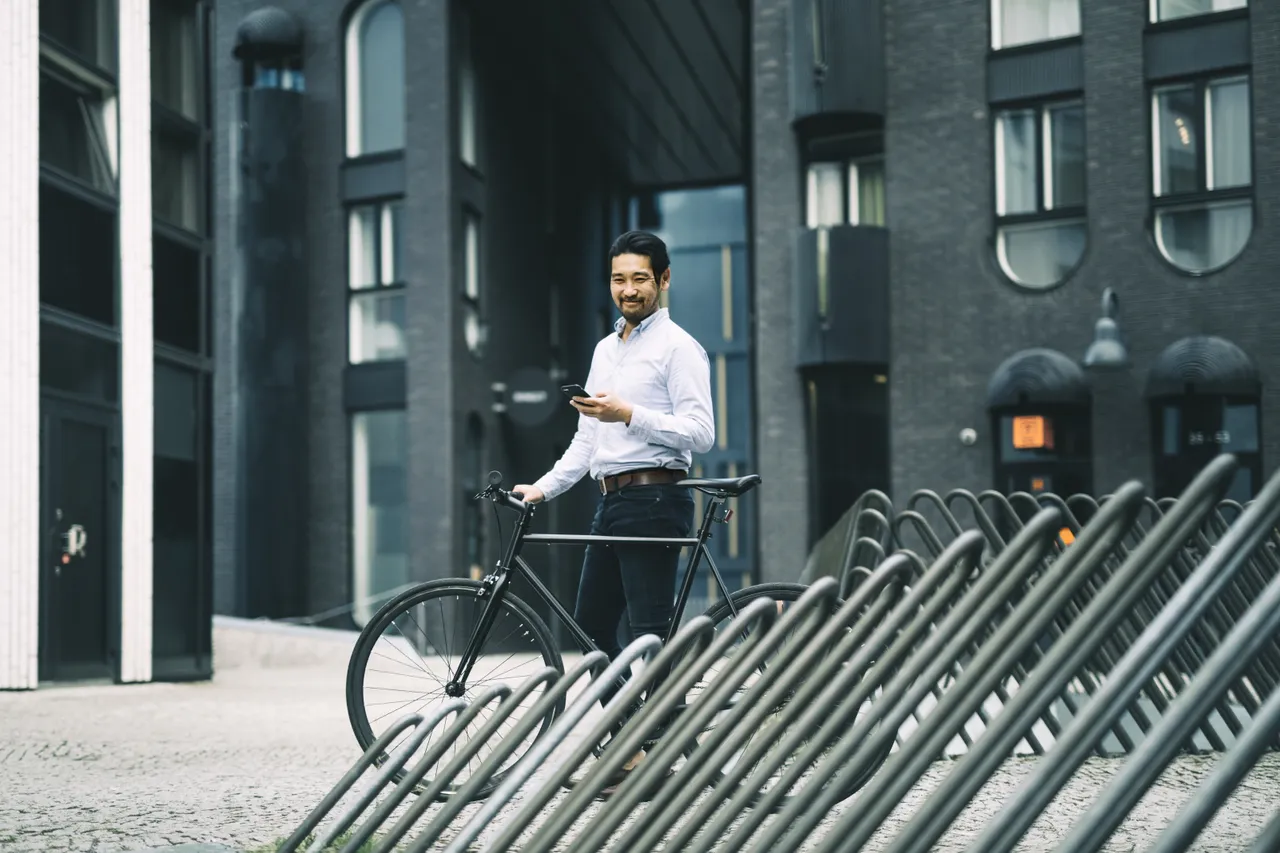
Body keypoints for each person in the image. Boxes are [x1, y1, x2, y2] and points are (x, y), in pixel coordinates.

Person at [513, 227, 715, 672]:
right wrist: (542, 489)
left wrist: (628, 414)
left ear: (663, 280)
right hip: (611, 502)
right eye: (618, 279)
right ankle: (632, 732)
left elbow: (701, 433)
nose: (628, 290)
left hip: (656, 499)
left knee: (649, 635)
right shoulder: (605, 350)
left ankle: (663, 733)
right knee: (589, 627)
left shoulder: (678, 348)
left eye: (640, 279)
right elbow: (588, 439)